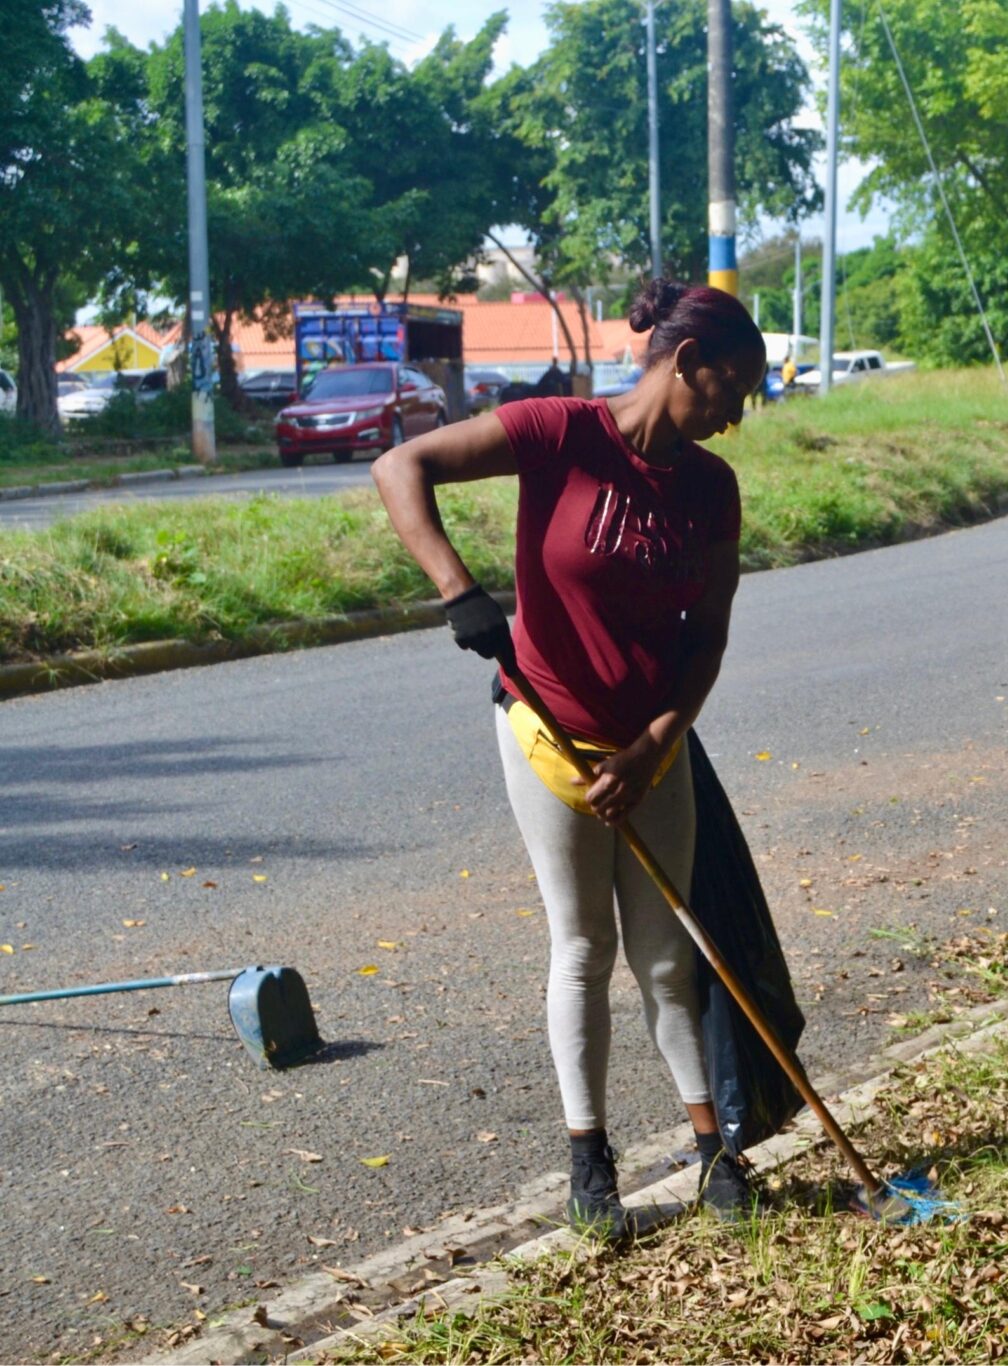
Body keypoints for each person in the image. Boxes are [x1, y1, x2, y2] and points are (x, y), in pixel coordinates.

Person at [373, 280, 769, 1237]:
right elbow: (401, 467)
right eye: (731, 390)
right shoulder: (561, 433)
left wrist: (652, 746)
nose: (736, 415)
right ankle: (589, 1165)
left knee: (668, 958)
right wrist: (458, 592)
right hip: (547, 733)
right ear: (684, 364)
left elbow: (706, 638)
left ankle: (713, 1146)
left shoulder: (711, 489)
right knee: (584, 945)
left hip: (652, 748)